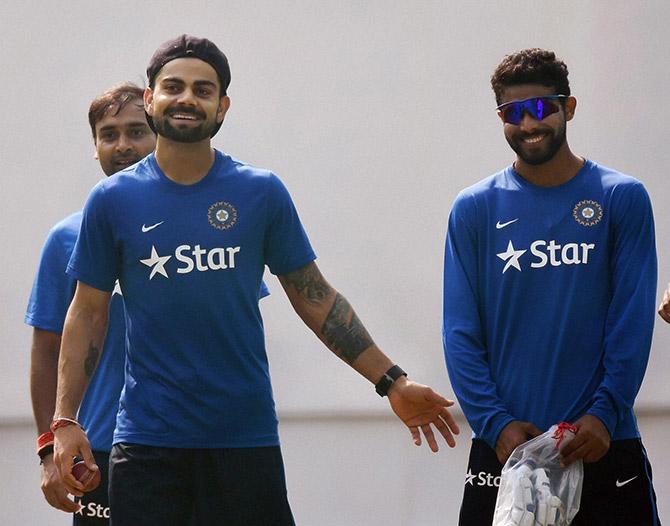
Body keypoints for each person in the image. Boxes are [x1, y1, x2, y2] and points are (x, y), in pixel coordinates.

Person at [51, 35, 460, 526]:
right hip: (147, 446)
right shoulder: (112, 201)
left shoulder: (260, 192)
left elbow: (316, 298)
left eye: (203, 90)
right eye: (173, 86)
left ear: (222, 107)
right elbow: (87, 312)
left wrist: (391, 381)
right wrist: (64, 421)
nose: (186, 98)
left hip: (244, 442)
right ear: (149, 98)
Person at [442, 48, 661, 525]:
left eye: (541, 108)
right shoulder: (474, 208)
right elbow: (459, 333)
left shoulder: (620, 198)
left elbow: (632, 321)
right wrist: (494, 423)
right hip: (507, 449)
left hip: (603, 442)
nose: (528, 123)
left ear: (570, 107)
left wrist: (604, 414)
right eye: (512, 113)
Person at [26, 83, 156, 524]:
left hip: (193, 442)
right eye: (109, 134)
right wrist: (49, 448)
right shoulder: (66, 238)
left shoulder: (199, 227)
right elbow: (46, 350)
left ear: (160, 133)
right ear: (95, 147)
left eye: (136, 131)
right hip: (99, 451)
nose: (123, 145)